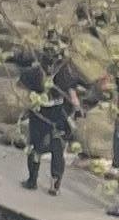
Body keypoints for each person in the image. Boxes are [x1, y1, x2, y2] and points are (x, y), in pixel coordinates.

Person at [14, 29, 81, 196]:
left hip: (50, 113)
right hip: (47, 112)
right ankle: (45, 182)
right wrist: (76, 106)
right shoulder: (51, 72)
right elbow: (72, 92)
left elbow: (20, 88)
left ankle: (38, 181)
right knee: (50, 148)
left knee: (44, 148)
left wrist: (75, 105)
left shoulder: (53, 73)